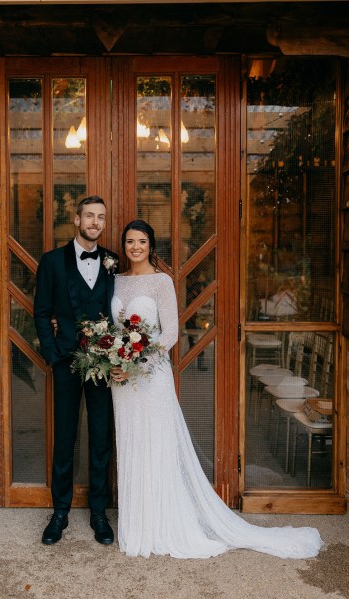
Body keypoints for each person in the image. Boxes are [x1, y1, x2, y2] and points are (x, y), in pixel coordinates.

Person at [109, 219, 323, 559]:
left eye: (142, 241)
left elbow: (170, 334)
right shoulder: (116, 281)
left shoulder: (161, 282)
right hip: (120, 381)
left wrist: (137, 363)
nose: (135, 247)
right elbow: (111, 330)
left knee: (157, 443)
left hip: (150, 377)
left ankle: (162, 521)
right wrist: (113, 362)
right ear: (124, 245)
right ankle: (137, 522)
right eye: (130, 241)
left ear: (151, 245)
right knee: (131, 441)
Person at [34, 195, 118, 546]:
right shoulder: (52, 261)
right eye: (89, 216)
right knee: (64, 438)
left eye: (100, 217)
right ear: (76, 219)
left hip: (102, 364)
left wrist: (118, 352)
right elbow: (40, 312)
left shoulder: (113, 261)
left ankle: (99, 512)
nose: (95, 222)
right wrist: (53, 355)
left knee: (101, 438)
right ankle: (60, 512)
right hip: (66, 362)